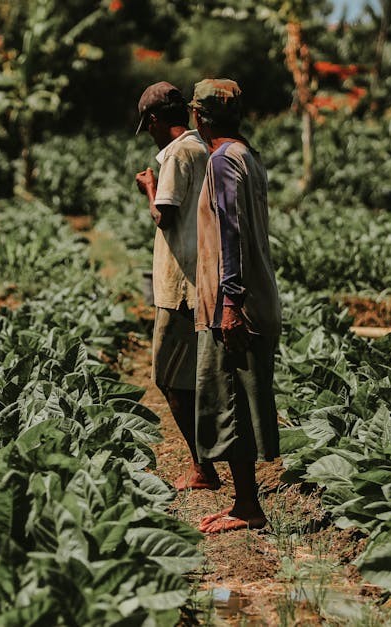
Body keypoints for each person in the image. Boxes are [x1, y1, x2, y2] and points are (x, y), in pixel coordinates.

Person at [189, 79, 282, 534]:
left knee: (230, 402)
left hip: (234, 302)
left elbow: (230, 231)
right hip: (257, 296)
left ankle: (247, 505)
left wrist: (229, 302)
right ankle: (244, 502)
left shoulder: (222, 161)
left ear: (198, 117)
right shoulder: (248, 156)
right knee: (242, 402)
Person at [132, 81, 217, 491]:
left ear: (153, 120)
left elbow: (164, 214)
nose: (147, 131)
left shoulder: (178, 154)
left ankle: (203, 466)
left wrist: (149, 187)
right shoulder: (203, 146)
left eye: (146, 124)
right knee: (192, 376)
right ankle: (209, 460)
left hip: (182, 283)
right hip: (201, 275)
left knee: (166, 375)